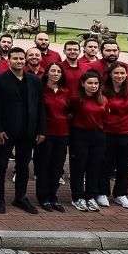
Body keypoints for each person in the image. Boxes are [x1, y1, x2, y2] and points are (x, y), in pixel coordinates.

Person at [0, 48, 45, 214]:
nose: (19, 61)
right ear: (8, 60)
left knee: (23, 166)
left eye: (22, 59)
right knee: (1, 166)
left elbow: (40, 106)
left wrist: (41, 130)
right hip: (6, 131)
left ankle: (20, 197)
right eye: (16, 59)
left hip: (28, 131)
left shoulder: (34, 80)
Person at [100, 64, 128, 209]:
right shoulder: (102, 90)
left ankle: (121, 194)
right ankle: (102, 192)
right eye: (116, 73)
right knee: (105, 164)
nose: (119, 76)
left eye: (122, 73)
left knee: (125, 165)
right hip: (107, 132)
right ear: (110, 74)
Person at [69, 71, 107, 211]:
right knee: (79, 167)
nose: (93, 86)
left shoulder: (103, 99)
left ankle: (90, 196)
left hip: (98, 136)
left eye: (96, 83)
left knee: (94, 167)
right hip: (80, 135)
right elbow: (70, 114)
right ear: (83, 84)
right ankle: (77, 197)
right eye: (90, 83)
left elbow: (105, 118)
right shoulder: (76, 99)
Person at [36, 62, 70, 212]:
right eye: (53, 71)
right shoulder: (41, 91)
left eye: (58, 71)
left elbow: (70, 112)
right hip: (45, 135)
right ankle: (43, 197)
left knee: (57, 167)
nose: (55, 73)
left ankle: (53, 196)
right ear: (47, 73)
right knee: (44, 166)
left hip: (62, 134)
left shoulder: (66, 91)